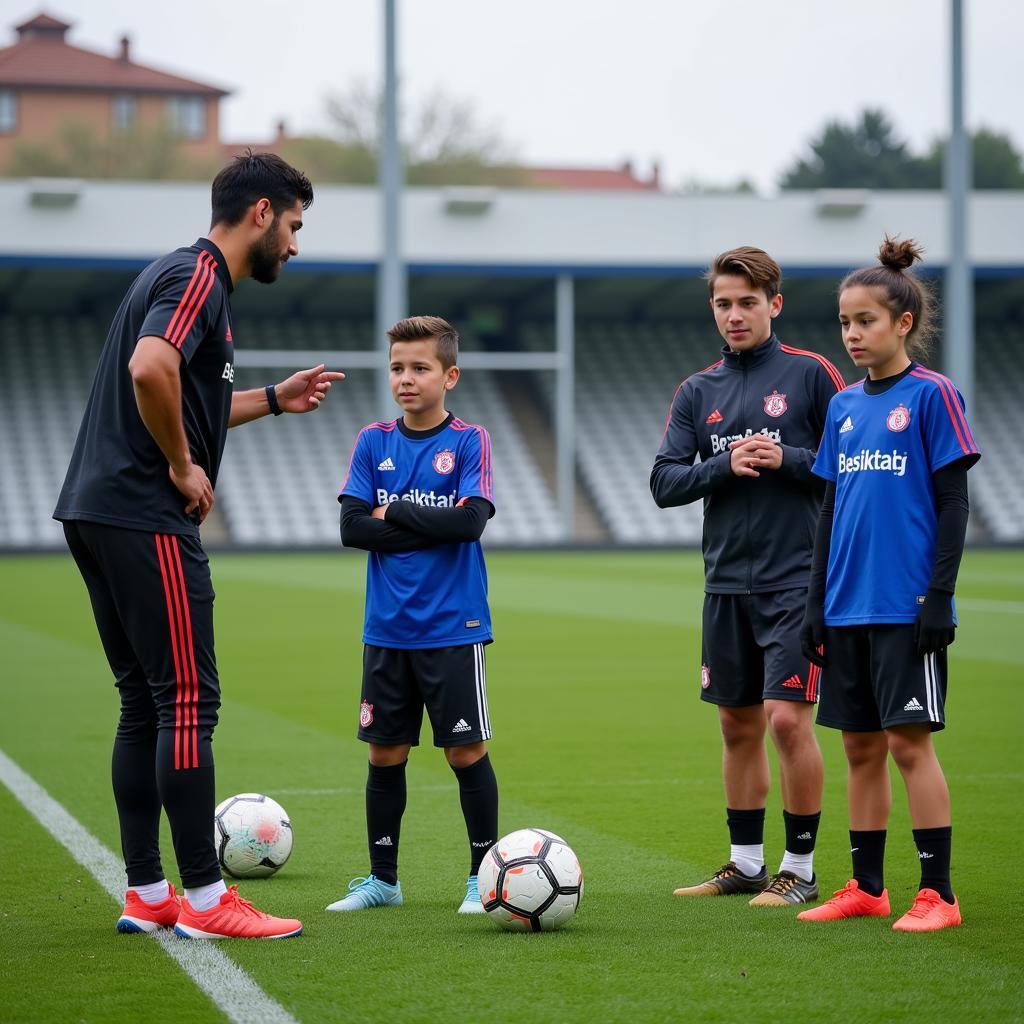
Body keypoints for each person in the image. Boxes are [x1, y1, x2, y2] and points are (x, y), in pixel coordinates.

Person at [54, 152, 344, 940]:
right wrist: (182, 466)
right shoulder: (201, 279)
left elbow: (180, 386)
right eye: (293, 225)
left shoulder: (168, 273)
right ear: (260, 213)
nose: (294, 243)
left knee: (143, 701)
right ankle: (212, 904)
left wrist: (273, 402)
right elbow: (152, 369)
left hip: (95, 511)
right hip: (144, 515)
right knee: (186, 700)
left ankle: (148, 894)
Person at [651, 246, 845, 907]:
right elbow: (663, 481)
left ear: (774, 304)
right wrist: (721, 466)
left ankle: (802, 868)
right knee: (737, 726)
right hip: (725, 583)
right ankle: (745, 864)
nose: (735, 315)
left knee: (788, 722)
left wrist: (789, 458)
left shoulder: (812, 374)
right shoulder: (696, 390)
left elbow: (856, 462)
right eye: (723, 304)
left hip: (798, 582)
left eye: (747, 303)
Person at [797, 238, 979, 932]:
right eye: (845, 322)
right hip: (847, 606)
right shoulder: (843, 407)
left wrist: (939, 595)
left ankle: (939, 895)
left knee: (909, 743)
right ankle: (867, 887)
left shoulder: (932, 395)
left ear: (902, 322)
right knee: (860, 746)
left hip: (907, 605)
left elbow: (954, 502)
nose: (852, 334)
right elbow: (830, 510)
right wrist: (817, 604)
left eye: (865, 321)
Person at [329, 315, 498, 915]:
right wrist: (428, 524)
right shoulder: (373, 441)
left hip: (454, 628)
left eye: (420, 368)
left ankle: (484, 878)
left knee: (465, 753)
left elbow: (471, 522)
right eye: (397, 367)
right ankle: (384, 880)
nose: (406, 378)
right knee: (384, 754)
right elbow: (351, 529)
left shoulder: (468, 441)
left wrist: (393, 511)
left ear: (449, 375)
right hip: (387, 630)